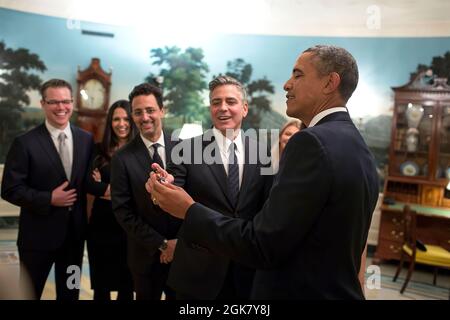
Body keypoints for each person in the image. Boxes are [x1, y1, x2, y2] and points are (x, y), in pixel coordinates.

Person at [147, 45, 379, 299]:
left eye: (298, 74)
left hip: (266, 278)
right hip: (201, 276)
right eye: (216, 102)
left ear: (330, 82)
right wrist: (165, 187)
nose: (287, 84)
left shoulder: (307, 143)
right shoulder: (359, 147)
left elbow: (265, 238)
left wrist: (190, 209)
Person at [156, 75, 273, 300]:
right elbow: (172, 198)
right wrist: (164, 188)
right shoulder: (185, 149)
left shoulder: (263, 152)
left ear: (245, 108)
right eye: (216, 102)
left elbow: (266, 207)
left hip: (246, 272)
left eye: (231, 101)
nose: (223, 108)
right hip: (198, 272)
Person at [1, 79, 94, 300]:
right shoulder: (25, 143)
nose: (61, 107)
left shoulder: (86, 140)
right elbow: (10, 189)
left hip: (74, 240)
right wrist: (48, 198)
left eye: (66, 101)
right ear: (43, 103)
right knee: (29, 294)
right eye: (54, 102)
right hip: (36, 240)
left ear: (72, 102)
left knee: (70, 292)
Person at [110, 83, 181, 300]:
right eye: (138, 112)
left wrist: (179, 243)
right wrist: (162, 244)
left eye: (150, 110)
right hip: (145, 257)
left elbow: (197, 198)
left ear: (162, 110)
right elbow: (123, 211)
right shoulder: (122, 158)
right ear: (132, 115)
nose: (145, 117)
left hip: (184, 253)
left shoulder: (184, 148)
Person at [85, 100, 135, 300]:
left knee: (127, 286)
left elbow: (143, 189)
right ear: (110, 122)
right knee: (102, 286)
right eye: (116, 119)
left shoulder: (141, 150)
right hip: (101, 225)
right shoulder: (98, 149)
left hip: (130, 226)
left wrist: (105, 188)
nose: (121, 123)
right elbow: (89, 184)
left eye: (126, 118)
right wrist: (125, 192)